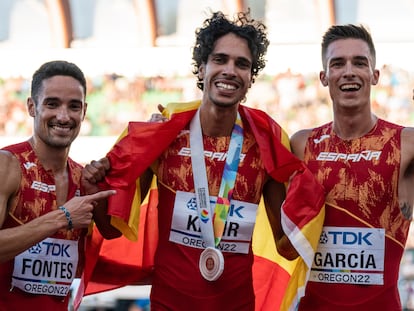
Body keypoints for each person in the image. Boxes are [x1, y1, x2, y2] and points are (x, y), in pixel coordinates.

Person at [79, 11, 325, 311]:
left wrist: (314, 197)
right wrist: (93, 190)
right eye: (220, 59)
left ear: (251, 78)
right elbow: (111, 229)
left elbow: (286, 247)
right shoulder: (163, 135)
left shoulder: (265, 144)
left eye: (242, 64)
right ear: (202, 67)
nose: (230, 70)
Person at [290, 24, 414, 310]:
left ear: (375, 75)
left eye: (359, 62)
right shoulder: (301, 145)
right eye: (338, 63)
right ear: (324, 77)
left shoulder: (405, 144)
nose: (349, 71)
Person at [0, 60, 116, 311]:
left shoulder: (83, 178)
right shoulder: (8, 166)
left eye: (73, 107)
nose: (63, 116)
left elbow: (113, 236)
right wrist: (62, 217)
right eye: (52, 104)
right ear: (32, 107)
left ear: (84, 112)